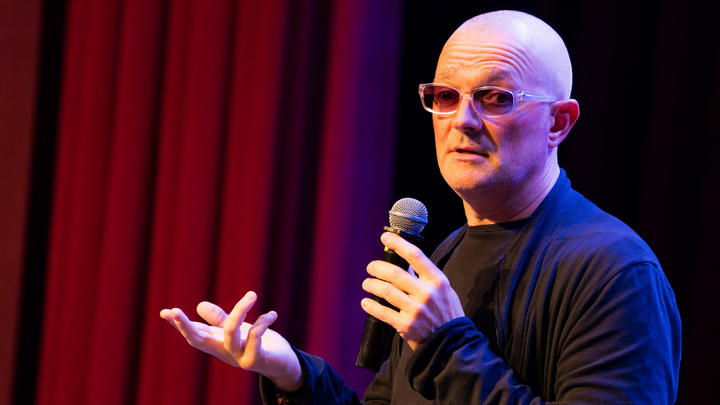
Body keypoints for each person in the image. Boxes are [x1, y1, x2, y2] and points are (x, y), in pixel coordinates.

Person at [160, 10, 681, 404]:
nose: (463, 120)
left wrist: (448, 347)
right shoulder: (445, 255)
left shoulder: (614, 271)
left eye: (496, 98)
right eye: (446, 96)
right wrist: (292, 373)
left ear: (558, 123)